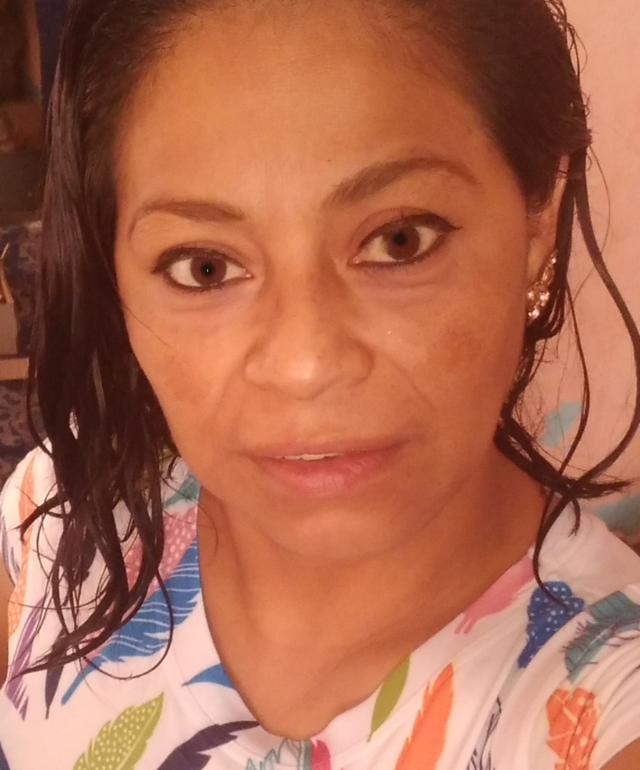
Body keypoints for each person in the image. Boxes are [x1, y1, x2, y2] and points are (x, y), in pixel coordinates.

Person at [0, 0, 639, 767]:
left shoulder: (603, 710)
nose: (304, 365)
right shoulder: (61, 510)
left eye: (399, 241)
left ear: (537, 225)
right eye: (205, 267)